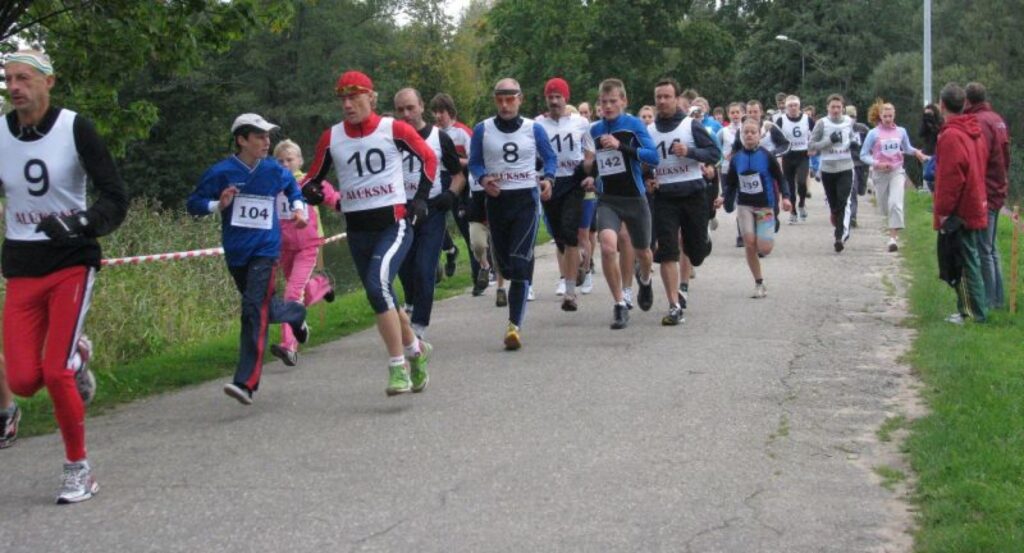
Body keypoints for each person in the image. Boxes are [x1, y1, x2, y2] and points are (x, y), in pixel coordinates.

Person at [0, 50, 129, 503]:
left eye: (24, 78)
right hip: (22, 265)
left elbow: (115, 197)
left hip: (71, 259)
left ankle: (79, 469)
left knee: (55, 373)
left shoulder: (75, 128)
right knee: (22, 380)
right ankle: (79, 352)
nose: (15, 87)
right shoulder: (1, 132)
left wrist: (80, 223)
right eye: (8, 79)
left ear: (48, 81)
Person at [301, 70, 437, 394]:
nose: (347, 105)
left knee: (377, 288)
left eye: (354, 97)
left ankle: (398, 368)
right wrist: (311, 192)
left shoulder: (394, 129)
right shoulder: (332, 137)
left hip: (393, 225)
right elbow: (310, 179)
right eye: (342, 99)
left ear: (370, 97)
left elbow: (429, 158)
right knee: (384, 295)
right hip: (358, 231)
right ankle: (416, 350)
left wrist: (420, 199)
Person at [187, 114, 310, 404]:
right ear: (242, 140)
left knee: (253, 309)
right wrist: (218, 204)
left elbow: (293, 188)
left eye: (268, 137)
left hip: (266, 251)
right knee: (264, 307)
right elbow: (193, 204)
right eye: (259, 137)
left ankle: (246, 382)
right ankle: (296, 313)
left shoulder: (273, 169)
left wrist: (298, 208)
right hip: (237, 252)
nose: (267, 142)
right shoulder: (221, 172)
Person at [468, 78, 557, 349]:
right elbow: (474, 163)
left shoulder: (534, 128)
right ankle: (516, 268)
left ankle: (513, 326)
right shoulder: (483, 129)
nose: (505, 105)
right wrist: (483, 179)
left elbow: (550, 157)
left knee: (518, 264)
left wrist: (549, 178)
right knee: (505, 267)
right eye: (500, 100)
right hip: (497, 201)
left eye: (510, 99)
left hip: (526, 200)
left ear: (520, 99)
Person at [586, 78, 660, 329]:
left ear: (624, 101)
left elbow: (653, 157)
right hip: (608, 199)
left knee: (644, 253)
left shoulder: (634, 125)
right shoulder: (594, 130)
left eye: (612, 101)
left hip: (635, 198)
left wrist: (622, 146)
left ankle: (645, 279)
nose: (607, 106)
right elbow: (597, 162)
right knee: (608, 247)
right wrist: (590, 174)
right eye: (603, 102)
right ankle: (619, 304)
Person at [393, 88, 466, 338]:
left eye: (410, 108)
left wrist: (451, 195)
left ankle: (419, 327)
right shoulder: (391, 139)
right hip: (401, 210)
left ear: (422, 106)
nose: (406, 114)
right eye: (400, 110)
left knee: (425, 268)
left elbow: (458, 175)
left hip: (432, 210)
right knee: (405, 267)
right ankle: (412, 302)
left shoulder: (439, 138)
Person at [647, 78, 719, 325]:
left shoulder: (691, 125)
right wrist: (647, 178)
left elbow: (714, 153)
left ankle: (702, 242)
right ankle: (674, 305)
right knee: (667, 251)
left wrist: (690, 152)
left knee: (695, 252)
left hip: (693, 194)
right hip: (664, 197)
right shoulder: (649, 131)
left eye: (667, 96)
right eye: (658, 97)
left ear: (677, 99)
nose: (662, 101)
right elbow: (643, 161)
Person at [269, 140, 338, 366]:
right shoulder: (272, 185)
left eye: (289, 160)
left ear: (299, 161)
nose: (285, 164)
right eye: (280, 161)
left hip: (308, 246)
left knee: (292, 294)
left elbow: (333, 199)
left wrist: (354, 208)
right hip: (284, 247)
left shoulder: (309, 182)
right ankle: (322, 284)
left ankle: (288, 346)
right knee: (298, 293)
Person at [535, 77, 595, 311]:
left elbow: (590, 151)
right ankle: (576, 259)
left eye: (558, 97)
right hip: (549, 183)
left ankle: (570, 293)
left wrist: (589, 172)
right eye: (550, 97)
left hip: (572, 181)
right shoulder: (538, 124)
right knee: (559, 236)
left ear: (566, 98)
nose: (554, 101)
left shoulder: (581, 123)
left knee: (570, 232)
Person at [717, 117, 793, 298]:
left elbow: (781, 178)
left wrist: (786, 197)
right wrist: (722, 197)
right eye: (746, 132)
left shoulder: (767, 156)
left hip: (764, 206)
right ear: (741, 135)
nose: (749, 135)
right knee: (749, 243)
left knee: (764, 248)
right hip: (744, 205)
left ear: (759, 135)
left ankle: (766, 234)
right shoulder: (736, 158)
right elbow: (731, 183)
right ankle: (759, 282)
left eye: (753, 132)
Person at [933, 82, 989, 324]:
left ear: (942, 105)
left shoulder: (951, 135)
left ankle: (972, 313)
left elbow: (950, 177)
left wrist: (944, 211)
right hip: (975, 200)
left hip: (960, 209)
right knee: (969, 257)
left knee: (962, 262)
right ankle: (971, 309)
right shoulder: (973, 131)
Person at [964, 82, 1011, 310]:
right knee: (991, 249)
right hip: (998, 186)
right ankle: (998, 300)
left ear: (967, 100)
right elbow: (1006, 154)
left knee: (984, 249)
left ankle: (990, 302)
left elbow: (979, 158)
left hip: (986, 190)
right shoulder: (996, 119)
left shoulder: (979, 122)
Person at [859, 103, 928, 252]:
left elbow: (907, 148)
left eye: (890, 116)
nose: (888, 119)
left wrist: (918, 153)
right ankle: (892, 227)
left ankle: (893, 239)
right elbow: (863, 155)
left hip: (897, 171)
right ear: (880, 116)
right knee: (884, 208)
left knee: (895, 204)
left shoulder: (901, 131)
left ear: (894, 115)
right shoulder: (873, 133)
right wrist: (877, 163)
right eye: (885, 116)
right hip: (880, 174)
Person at [430, 93, 476, 286]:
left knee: (466, 227)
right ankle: (448, 251)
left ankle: (479, 272)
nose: (438, 116)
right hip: (439, 179)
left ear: (450, 111)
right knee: (431, 220)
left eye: (441, 112)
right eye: (435, 112)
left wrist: (455, 160)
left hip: (461, 181)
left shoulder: (462, 132)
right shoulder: (432, 133)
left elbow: (475, 160)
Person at [808, 94, 859, 253]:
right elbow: (811, 146)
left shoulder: (848, 122)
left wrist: (854, 143)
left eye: (838, 107)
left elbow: (852, 137)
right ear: (827, 108)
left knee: (843, 201)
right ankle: (836, 219)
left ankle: (840, 236)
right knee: (834, 204)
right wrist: (829, 140)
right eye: (833, 107)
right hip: (828, 169)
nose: (836, 110)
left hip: (846, 167)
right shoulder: (822, 123)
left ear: (843, 108)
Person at [774, 95, 812, 223]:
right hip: (788, 155)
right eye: (790, 106)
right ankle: (793, 212)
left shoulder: (807, 119)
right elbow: (775, 136)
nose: (793, 108)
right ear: (786, 107)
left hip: (803, 155)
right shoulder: (781, 120)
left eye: (795, 105)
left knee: (801, 182)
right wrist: (778, 151)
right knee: (790, 185)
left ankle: (802, 203)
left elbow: (816, 133)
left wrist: (813, 147)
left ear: (799, 106)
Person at [845, 105, 870, 228]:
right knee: (852, 190)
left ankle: (851, 215)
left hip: (862, 164)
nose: (851, 119)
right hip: (848, 163)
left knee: (861, 190)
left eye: (853, 116)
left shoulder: (863, 129)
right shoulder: (841, 129)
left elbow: (872, 143)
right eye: (848, 116)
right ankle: (852, 217)